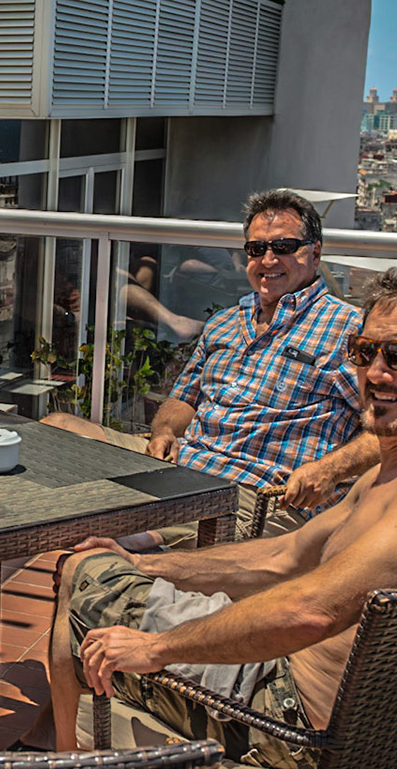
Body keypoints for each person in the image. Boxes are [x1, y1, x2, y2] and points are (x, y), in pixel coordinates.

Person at [47, 270, 397, 764]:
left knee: (84, 575)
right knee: (105, 566)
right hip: (300, 696)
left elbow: (308, 611)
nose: (378, 374)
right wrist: (143, 564)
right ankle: (76, 760)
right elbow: (286, 555)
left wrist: (157, 648)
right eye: (365, 353)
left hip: (289, 726)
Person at [44, 189, 379, 544]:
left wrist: (331, 469)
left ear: (314, 252)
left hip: (257, 495)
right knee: (54, 432)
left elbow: (393, 432)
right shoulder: (224, 323)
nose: (267, 259)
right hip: (180, 468)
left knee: (104, 541)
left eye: (283, 247)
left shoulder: (351, 330)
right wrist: (164, 431)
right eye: (256, 249)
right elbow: (184, 400)